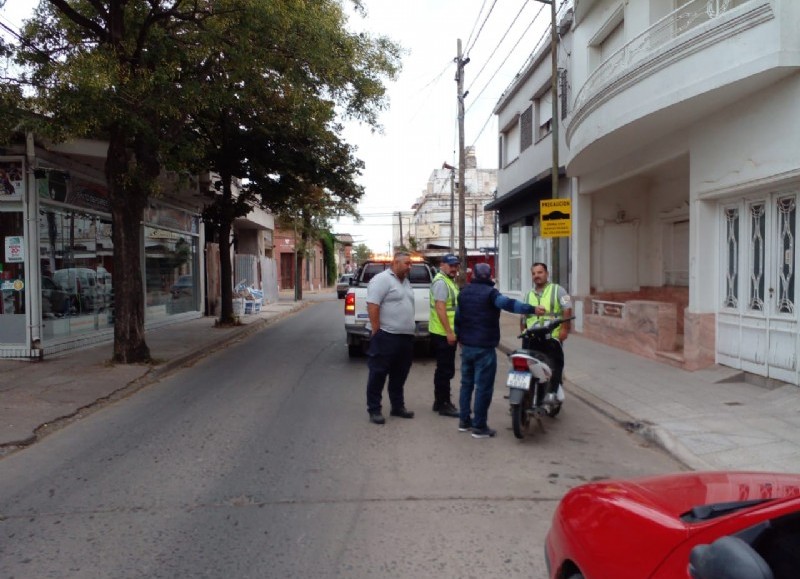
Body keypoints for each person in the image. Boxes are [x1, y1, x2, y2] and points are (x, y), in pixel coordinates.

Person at [455, 262, 536, 439]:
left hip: (467, 346)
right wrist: (532, 309)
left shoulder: (463, 293)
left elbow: (458, 318)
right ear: (490, 276)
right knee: (483, 387)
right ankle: (479, 426)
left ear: (473, 276)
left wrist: (460, 337)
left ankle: (464, 421)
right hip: (484, 347)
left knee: (466, 384)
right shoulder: (491, 294)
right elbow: (508, 304)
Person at [364, 252, 416, 425]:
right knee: (378, 374)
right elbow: (373, 305)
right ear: (396, 262)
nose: (410, 267)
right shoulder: (382, 280)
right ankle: (374, 409)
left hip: (405, 338)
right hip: (386, 336)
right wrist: (377, 331)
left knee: (400, 375)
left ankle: (397, 406)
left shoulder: (406, 282)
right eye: (407, 263)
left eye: (411, 264)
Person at [520, 262, 572, 399]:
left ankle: (552, 393)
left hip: (551, 336)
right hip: (531, 336)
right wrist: (523, 331)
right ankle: (522, 397)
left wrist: (565, 330)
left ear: (547, 274)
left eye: (540, 272)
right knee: (525, 366)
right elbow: (524, 317)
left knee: (554, 364)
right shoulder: (528, 294)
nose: (536, 276)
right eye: (534, 273)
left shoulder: (557, 290)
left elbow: (567, 308)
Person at [429, 254, 460, 417]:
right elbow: (441, 308)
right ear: (442, 265)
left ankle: (439, 402)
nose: (454, 268)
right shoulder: (441, 282)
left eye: (456, 265)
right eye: (451, 265)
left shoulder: (447, 281)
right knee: (445, 371)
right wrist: (449, 332)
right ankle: (444, 404)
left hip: (444, 332)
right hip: (443, 333)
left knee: (443, 369)